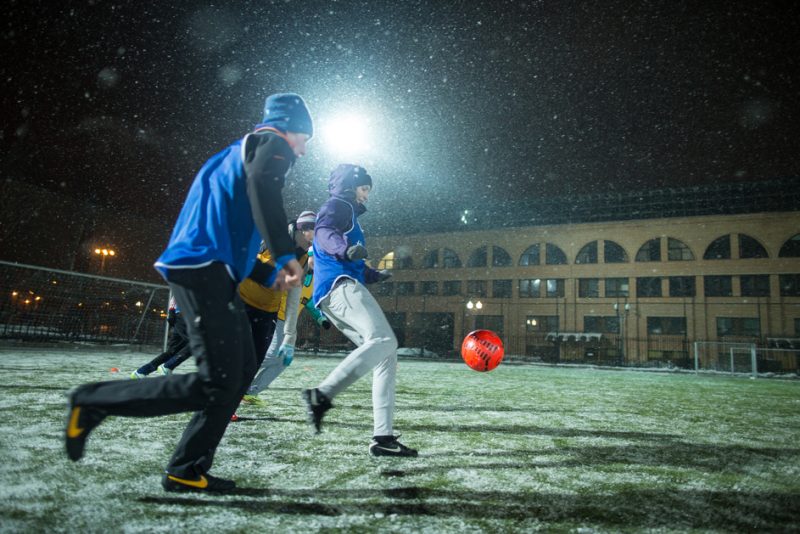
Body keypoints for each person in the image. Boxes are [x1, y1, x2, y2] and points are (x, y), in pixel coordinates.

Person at [64, 92, 312, 493]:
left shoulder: (237, 156)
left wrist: (269, 275)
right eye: (305, 138)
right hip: (202, 271)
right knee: (220, 381)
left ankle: (187, 468)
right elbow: (264, 193)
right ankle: (96, 401)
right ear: (292, 128)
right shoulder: (271, 145)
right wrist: (285, 255)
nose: (303, 148)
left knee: (239, 374)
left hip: (207, 268)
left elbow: (224, 234)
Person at [301, 164, 417, 457]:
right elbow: (325, 232)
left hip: (337, 288)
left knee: (385, 354)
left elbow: (350, 257)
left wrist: (373, 274)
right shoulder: (338, 205)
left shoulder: (349, 213)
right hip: (339, 285)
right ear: (352, 186)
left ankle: (383, 438)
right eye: (365, 189)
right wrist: (344, 250)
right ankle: (322, 395)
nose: (367, 195)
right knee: (384, 341)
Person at [242, 252, 332, 405]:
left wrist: (321, 318)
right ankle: (237, 374)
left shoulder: (316, 280)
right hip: (276, 316)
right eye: (315, 259)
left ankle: (251, 391)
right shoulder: (295, 270)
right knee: (270, 356)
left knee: (284, 360)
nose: (317, 264)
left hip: (288, 321)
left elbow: (308, 301)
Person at [130, 296, 191, 378]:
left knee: (174, 350)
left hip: (182, 315)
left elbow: (177, 293)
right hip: (188, 316)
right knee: (199, 343)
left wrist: (172, 311)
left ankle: (142, 372)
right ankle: (168, 366)